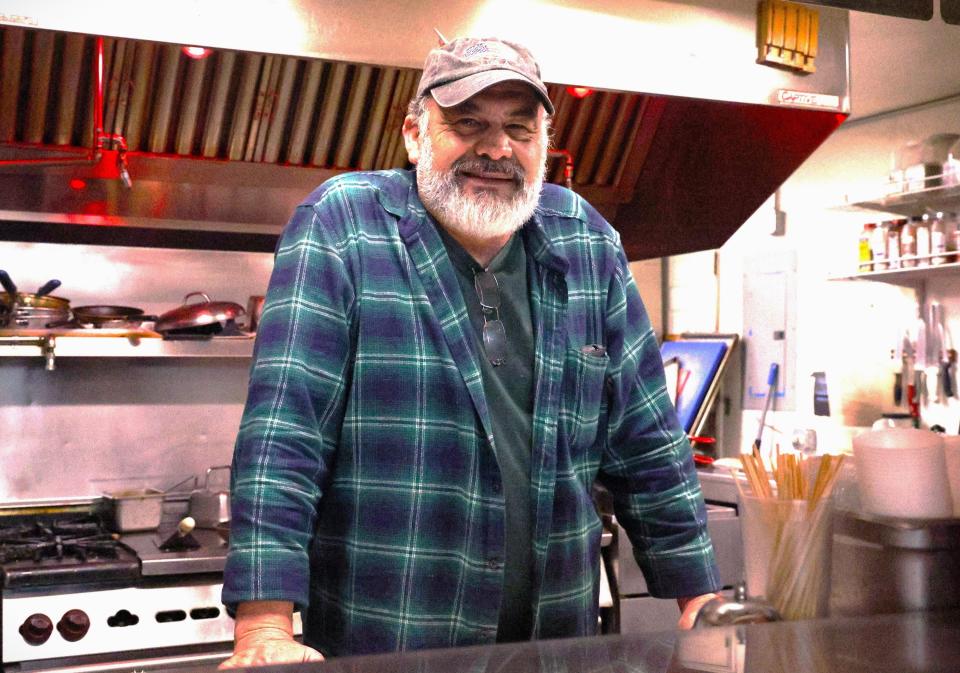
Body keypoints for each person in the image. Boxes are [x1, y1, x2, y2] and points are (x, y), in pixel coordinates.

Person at [219, 36, 721, 668]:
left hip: (554, 641)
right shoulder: (343, 224)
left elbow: (647, 439)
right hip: (389, 636)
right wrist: (265, 627)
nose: (496, 147)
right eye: (467, 124)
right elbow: (285, 433)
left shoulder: (588, 241)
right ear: (413, 134)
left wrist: (698, 597)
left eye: (519, 127)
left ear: (545, 144)